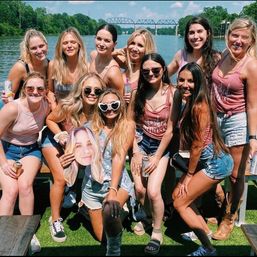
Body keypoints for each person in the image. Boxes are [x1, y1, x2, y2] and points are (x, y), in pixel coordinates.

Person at [168, 16, 224, 229]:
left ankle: (217, 203)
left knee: (206, 161)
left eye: (199, 32)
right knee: (191, 161)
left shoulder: (216, 57)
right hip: (187, 116)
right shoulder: (181, 55)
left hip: (208, 116)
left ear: (208, 33)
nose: (195, 36)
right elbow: (163, 75)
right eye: (191, 32)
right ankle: (194, 208)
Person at [172, 62, 233, 256]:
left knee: (180, 203)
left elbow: (197, 146)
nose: (185, 84)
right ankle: (203, 231)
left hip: (217, 164)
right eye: (181, 80)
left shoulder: (199, 106)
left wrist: (189, 175)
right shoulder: (189, 101)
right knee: (177, 197)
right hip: (209, 161)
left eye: (190, 81)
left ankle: (207, 248)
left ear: (198, 83)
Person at [42, 72, 105, 243]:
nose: (92, 93)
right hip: (53, 141)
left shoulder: (101, 112)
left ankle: (87, 204)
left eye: (97, 91)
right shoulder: (68, 105)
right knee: (61, 179)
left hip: (76, 146)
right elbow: (50, 120)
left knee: (96, 168)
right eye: (88, 90)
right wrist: (61, 135)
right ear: (80, 90)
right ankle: (55, 220)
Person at [128, 53, 181, 255]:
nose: (151, 73)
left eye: (156, 70)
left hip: (161, 146)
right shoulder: (137, 93)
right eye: (146, 71)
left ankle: (156, 231)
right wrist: (134, 151)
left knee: (152, 191)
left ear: (163, 70)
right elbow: (131, 122)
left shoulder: (173, 93)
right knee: (140, 190)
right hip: (141, 143)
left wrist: (157, 157)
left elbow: (170, 129)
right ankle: (147, 217)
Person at [211, 17, 257, 241]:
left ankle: (229, 217)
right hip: (215, 119)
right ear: (228, 35)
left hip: (237, 120)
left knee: (236, 174)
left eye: (244, 37)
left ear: (251, 40)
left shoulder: (251, 65)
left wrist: (253, 137)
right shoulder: (223, 56)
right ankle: (220, 200)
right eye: (234, 35)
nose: (238, 40)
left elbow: (253, 105)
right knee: (213, 164)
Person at [78, 88, 135, 255]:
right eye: (105, 106)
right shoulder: (89, 127)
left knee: (110, 210)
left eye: (114, 105)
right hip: (92, 185)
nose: (110, 109)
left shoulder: (127, 125)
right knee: (101, 237)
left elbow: (118, 158)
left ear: (121, 105)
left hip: (117, 182)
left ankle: (113, 251)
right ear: (99, 108)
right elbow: (81, 156)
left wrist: (112, 190)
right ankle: (118, 215)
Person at [0, 72, 50, 254]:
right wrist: (4, 163)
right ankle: (3, 233)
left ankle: (28, 233)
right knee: (11, 190)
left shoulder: (46, 106)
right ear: (24, 89)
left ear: (45, 91)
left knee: (25, 185)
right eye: (30, 88)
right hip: (6, 151)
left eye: (39, 88)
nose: (34, 92)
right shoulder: (13, 108)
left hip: (30, 150)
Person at [1, 29, 49, 103]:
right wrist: (8, 98)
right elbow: (9, 97)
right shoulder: (20, 67)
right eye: (34, 48)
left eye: (41, 46)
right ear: (28, 50)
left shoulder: (50, 64)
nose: (39, 51)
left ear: (47, 45)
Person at [112, 28, 156, 103]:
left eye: (140, 45)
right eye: (132, 43)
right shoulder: (125, 64)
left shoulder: (149, 73)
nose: (135, 48)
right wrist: (118, 51)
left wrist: (135, 98)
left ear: (147, 49)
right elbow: (98, 56)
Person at [89, 23, 124, 96]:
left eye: (107, 41)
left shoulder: (113, 72)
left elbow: (120, 101)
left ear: (114, 44)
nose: (101, 44)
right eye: (99, 39)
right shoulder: (93, 55)